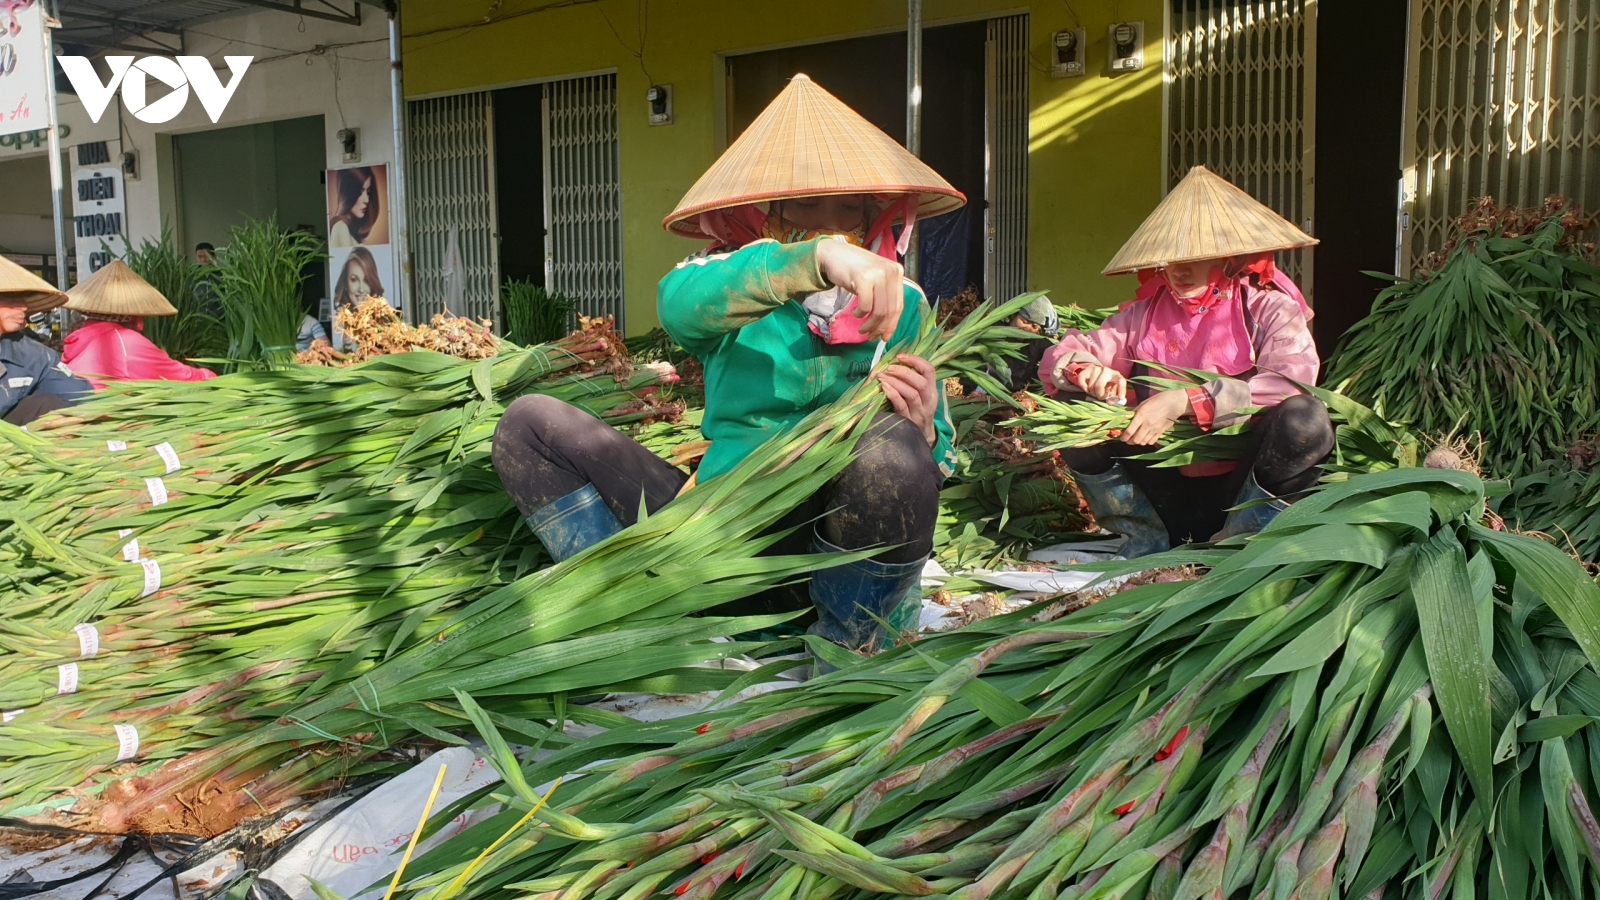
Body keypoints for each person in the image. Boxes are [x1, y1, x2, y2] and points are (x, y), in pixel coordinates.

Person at [491, 74, 967, 664]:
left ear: (879, 215)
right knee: (529, 424)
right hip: (726, 538)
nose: (831, 222)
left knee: (892, 442)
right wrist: (815, 260)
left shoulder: (908, 304)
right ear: (762, 216)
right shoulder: (733, 283)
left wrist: (925, 432)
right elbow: (678, 305)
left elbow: (942, 453)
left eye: (850, 208)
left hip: (833, 552)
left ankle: (852, 648)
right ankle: (624, 611)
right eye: (806, 206)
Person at [1039, 166, 1332, 557]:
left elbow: (1291, 381)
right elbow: (1070, 351)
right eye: (1171, 257)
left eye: (1196, 255)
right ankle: (1144, 538)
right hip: (1164, 490)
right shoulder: (1144, 314)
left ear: (1232, 256)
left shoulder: (1268, 309)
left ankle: (1245, 545)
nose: (1179, 268)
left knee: (1306, 420)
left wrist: (1185, 401)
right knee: (1072, 406)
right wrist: (1087, 371)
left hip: (1240, 489)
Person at [60, 260, 218, 388]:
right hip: (105, 422)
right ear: (131, 315)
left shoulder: (79, 342)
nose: (141, 326)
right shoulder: (125, 343)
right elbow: (181, 378)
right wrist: (213, 379)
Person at [0, 256, 92, 425]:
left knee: (47, 404)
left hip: (9, 436)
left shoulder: (30, 352)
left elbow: (78, 394)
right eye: (12, 301)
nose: (24, 308)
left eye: (23, 300)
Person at [329, 167, 379, 249]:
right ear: (347, 192)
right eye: (360, 192)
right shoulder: (340, 228)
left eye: (368, 192)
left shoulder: (347, 228)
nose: (366, 200)